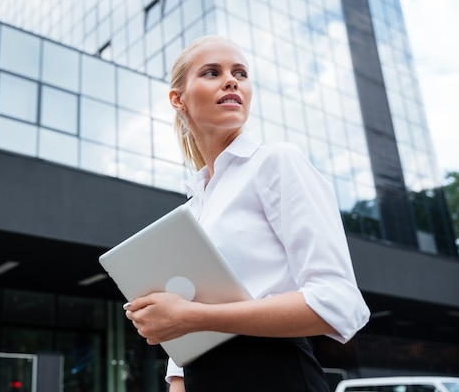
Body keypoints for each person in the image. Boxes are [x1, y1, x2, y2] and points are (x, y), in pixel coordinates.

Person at [123, 36, 370, 391]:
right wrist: (176, 369)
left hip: (276, 376)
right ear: (178, 100)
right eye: (212, 72)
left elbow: (341, 303)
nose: (231, 80)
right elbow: (183, 347)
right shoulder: (194, 207)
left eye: (240, 72)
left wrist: (191, 316)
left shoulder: (276, 161)